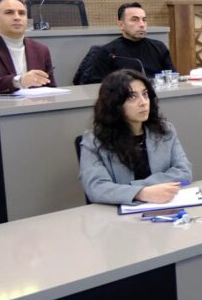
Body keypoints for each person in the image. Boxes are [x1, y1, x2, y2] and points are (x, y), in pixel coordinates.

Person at [78, 69, 192, 205]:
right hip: (118, 213)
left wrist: (137, 188)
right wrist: (141, 193)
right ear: (115, 104)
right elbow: (96, 188)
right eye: (132, 97)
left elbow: (184, 172)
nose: (143, 102)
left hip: (164, 206)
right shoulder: (94, 141)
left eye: (145, 94)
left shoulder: (165, 131)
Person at [79, 2, 174, 84]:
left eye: (144, 20)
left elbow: (172, 78)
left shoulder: (159, 47)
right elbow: (99, 85)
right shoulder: (108, 52)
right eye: (135, 19)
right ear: (121, 25)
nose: (142, 25)